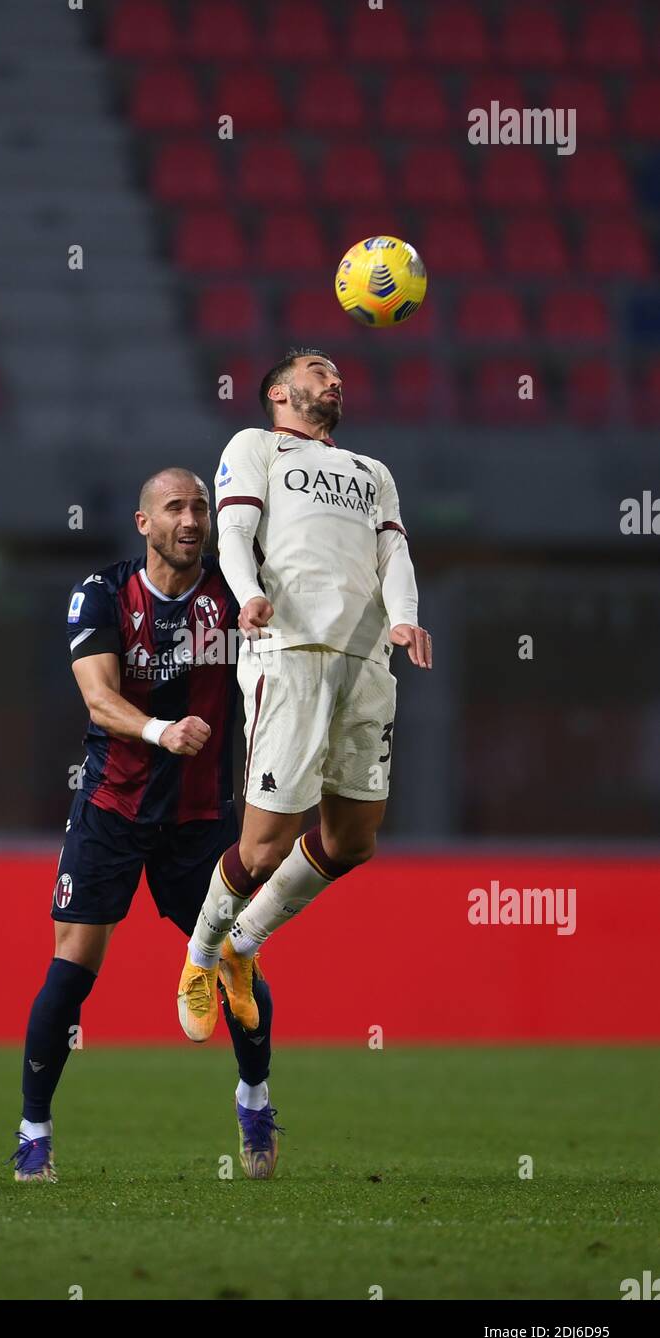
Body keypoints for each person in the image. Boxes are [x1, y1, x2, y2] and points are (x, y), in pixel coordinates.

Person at [8, 468, 282, 1183]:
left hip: (197, 822)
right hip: (112, 810)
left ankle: (254, 1098)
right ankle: (34, 1128)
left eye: (200, 507)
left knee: (235, 963)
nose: (191, 519)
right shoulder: (102, 596)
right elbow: (98, 701)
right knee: (73, 970)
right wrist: (162, 731)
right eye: (175, 508)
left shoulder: (234, 595)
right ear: (144, 523)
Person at [177, 350, 432, 1041]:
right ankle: (200, 956)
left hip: (367, 659)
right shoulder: (256, 446)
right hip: (289, 653)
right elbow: (232, 532)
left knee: (353, 841)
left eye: (337, 371)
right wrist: (250, 595)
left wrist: (404, 616)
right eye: (318, 369)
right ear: (280, 392)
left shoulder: (372, 472)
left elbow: (393, 555)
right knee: (262, 849)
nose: (334, 377)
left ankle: (242, 945)